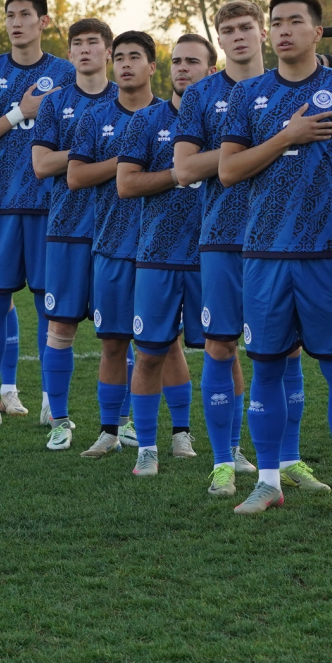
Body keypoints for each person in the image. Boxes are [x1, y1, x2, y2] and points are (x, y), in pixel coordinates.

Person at [219, 0, 332, 516]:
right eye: (276, 22)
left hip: (328, 253)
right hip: (262, 254)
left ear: (315, 31)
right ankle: (268, 479)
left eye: (295, 21)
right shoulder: (248, 94)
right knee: (266, 369)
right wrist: (288, 135)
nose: (283, 30)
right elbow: (229, 170)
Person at [0, 0, 78, 429]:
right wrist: (17, 113)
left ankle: (52, 403)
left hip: (53, 210)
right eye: (10, 15)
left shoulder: (66, 73)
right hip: (0, 208)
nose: (16, 22)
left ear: (44, 22)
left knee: (52, 310)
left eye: (26, 14)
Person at [173, 1, 266, 494]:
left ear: (263, 32)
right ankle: (225, 458)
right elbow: (184, 170)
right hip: (222, 236)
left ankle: (285, 461)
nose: (237, 37)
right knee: (220, 345)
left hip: (286, 238)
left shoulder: (289, 89)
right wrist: (246, 153)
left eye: (245, 28)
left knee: (285, 351)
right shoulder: (202, 95)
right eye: (226, 30)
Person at [116, 35, 217, 475]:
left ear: (211, 70)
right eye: (176, 61)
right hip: (156, 253)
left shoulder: (229, 118)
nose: (182, 68)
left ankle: (220, 449)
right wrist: (179, 174)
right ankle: (146, 448)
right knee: (151, 352)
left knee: (223, 350)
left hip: (212, 254)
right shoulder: (145, 121)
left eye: (192, 61)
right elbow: (126, 184)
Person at [69, 31, 160, 458]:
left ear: (152, 66)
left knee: (160, 346)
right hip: (110, 245)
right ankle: (109, 430)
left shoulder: (171, 116)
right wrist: (128, 165)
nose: (125, 64)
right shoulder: (95, 117)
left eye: (135, 57)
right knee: (112, 344)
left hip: (162, 249)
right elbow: (75, 177)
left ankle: (160, 433)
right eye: (119, 57)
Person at [30, 18, 118, 450]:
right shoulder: (53, 103)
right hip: (65, 228)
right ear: (69, 54)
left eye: (93, 43)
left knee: (118, 331)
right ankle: (60, 419)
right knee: (60, 326)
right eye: (77, 44)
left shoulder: (131, 100)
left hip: (117, 233)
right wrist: (89, 156)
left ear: (109, 52)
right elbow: (41, 165)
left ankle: (120, 423)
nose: (84, 50)